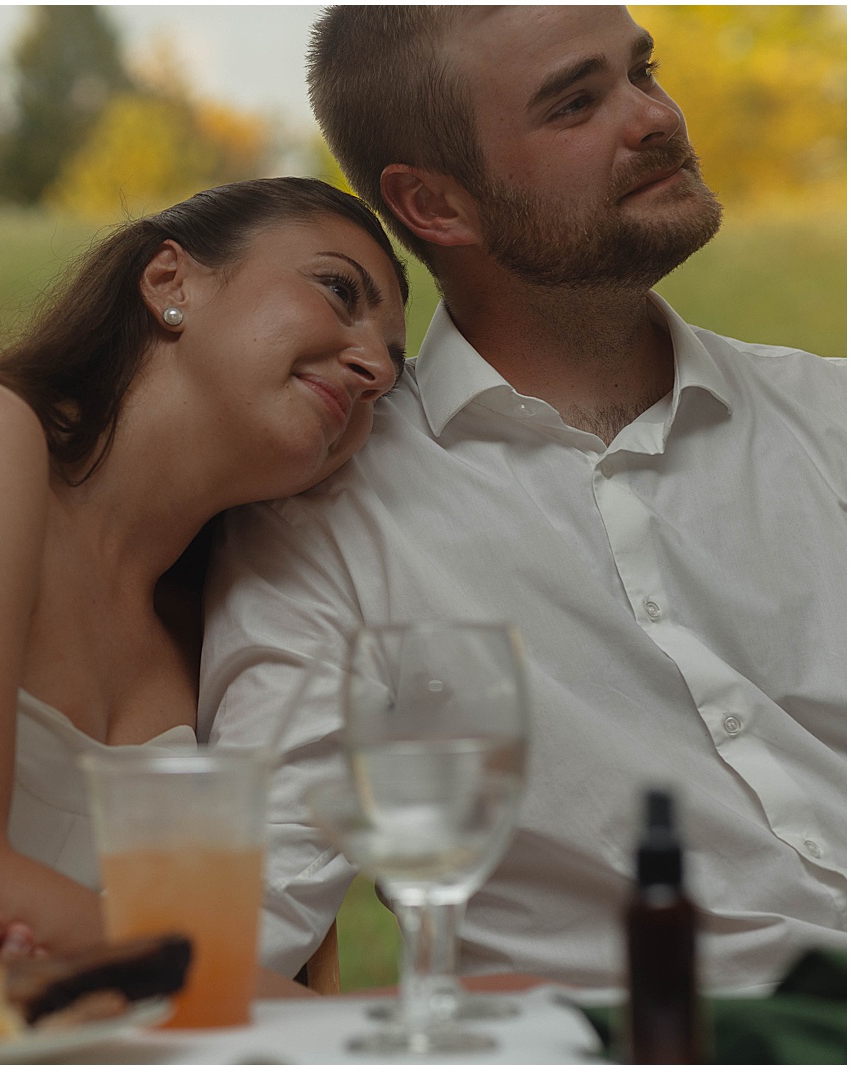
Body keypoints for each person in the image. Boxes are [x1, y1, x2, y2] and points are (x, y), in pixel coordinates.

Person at [201, 6, 846, 993]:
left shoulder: (831, 416)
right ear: (435, 204)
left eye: (643, 70)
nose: (656, 117)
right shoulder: (329, 522)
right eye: (576, 103)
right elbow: (250, 899)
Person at [0, 177, 408, 984]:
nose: (375, 366)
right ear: (171, 282)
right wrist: (319, 1023)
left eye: (395, 362)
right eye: (339, 291)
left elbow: (280, 945)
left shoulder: (221, 625)